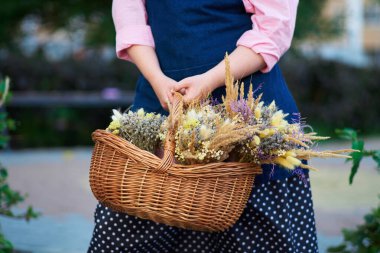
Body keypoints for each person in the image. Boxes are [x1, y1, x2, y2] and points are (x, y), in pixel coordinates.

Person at [88, 0, 319, 252]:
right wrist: (157, 79)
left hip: (249, 116)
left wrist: (209, 81)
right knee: (126, 231)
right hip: (162, 104)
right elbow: (129, 17)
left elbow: (274, 27)